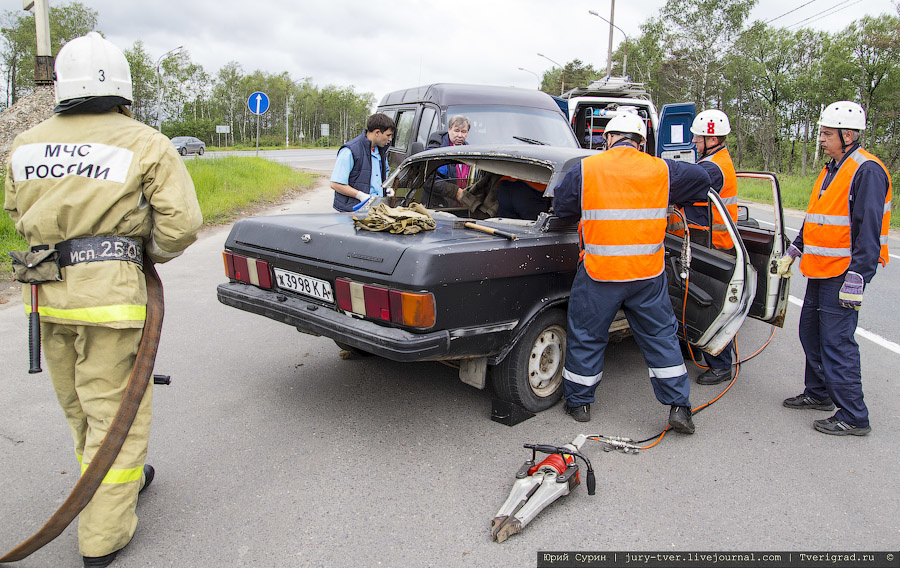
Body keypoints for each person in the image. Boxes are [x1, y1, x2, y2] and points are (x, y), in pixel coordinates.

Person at [3, 32, 202, 567]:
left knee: (81, 408)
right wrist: (135, 255)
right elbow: (182, 226)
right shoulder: (144, 141)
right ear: (122, 89)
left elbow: (18, 217)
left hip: (44, 297)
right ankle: (102, 536)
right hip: (111, 303)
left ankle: (119, 482)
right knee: (118, 414)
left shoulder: (24, 143)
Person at [552, 113, 713, 433]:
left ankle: (580, 403)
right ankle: (679, 406)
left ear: (608, 139)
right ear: (641, 142)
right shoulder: (662, 169)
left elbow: (562, 208)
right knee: (661, 338)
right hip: (646, 275)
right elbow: (704, 179)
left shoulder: (586, 168)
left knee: (587, 335)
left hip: (600, 272)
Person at [776, 100, 891, 437]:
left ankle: (854, 415)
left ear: (849, 134)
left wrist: (857, 279)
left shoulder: (866, 171)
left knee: (837, 342)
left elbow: (868, 231)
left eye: (827, 134)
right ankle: (820, 392)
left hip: (843, 274)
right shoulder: (831, 168)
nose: (821, 139)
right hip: (820, 269)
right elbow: (817, 219)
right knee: (810, 333)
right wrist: (796, 248)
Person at [689, 109, 739, 386]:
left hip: (713, 245)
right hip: (704, 242)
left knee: (712, 305)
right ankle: (696, 344)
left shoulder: (712, 167)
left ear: (711, 138)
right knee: (697, 300)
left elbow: (685, 182)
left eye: (698, 137)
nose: (694, 141)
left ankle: (721, 365)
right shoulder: (711, 160)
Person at [331, 113, 395, 212]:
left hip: (375, 209)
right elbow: (335, 184)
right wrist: (360, 195)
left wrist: (386, 188)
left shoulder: (381, 152)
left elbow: (383, 176)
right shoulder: (350, 151)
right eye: (388, 135)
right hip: (352, 211)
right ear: (377, 132)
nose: (390, 139)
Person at [425, 115, 470, 207]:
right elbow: (430, 180)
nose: (460, 135)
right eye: (456, 130)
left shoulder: (469, 150)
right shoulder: (437, 149)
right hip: (438, 206)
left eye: (463, 131)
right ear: (449, 129)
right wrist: (456, 192)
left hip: (461, 206)